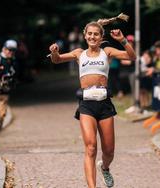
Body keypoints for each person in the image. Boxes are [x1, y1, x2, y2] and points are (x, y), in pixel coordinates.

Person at [49, 21, 136, 188]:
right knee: (90, 148)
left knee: (109, 151)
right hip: (86, 105)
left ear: (101, 37)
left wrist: (122, 39)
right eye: (89, 34)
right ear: (85, 35)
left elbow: (131, 56)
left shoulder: (107, 52)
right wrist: (54, 52)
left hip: (104, 104)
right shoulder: (78, 53)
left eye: (96, 34)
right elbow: (57, 60)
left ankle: (104, 167)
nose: (92, 37)